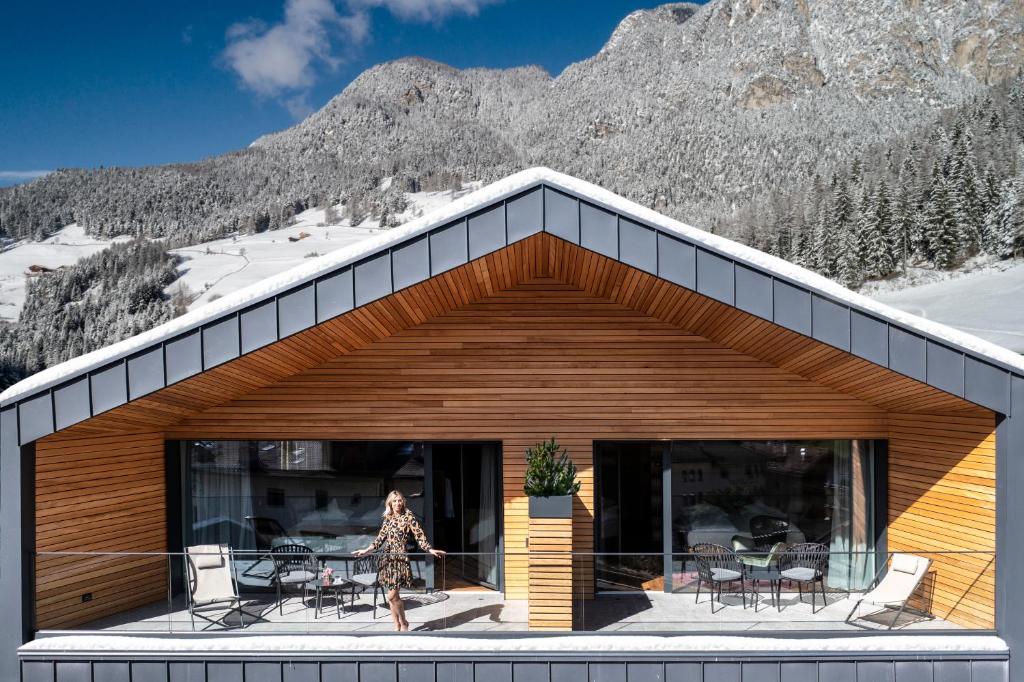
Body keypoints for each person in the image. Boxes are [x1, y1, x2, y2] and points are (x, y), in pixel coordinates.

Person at [354, 490, 445, 631]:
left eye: (400, 500)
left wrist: (430, 549)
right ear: (390, 502)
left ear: (403, 502)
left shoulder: (408, 516)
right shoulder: (388, 518)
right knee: (392, 596)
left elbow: (419, 536)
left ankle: (404, 622)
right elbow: (379, 540)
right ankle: (396, 624)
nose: (397, 503)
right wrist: (365, 550)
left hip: (400, 559)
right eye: (395, 500)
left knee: (391, 595)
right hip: (387, 560)